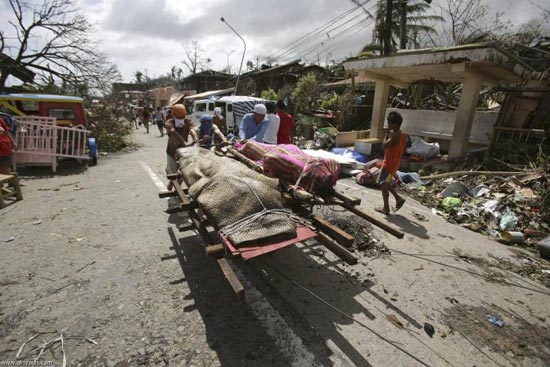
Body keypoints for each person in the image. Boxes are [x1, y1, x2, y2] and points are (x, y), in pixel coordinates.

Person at [375, 111, 407, 215]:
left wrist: (387, 134)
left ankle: (386, 208)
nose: (387, 125)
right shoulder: (402, 134)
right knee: (385, 183)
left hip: (389, 163)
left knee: (383, 186)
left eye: (389, 123)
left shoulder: (394, 135)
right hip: (395, 163)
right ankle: (398, 198)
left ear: (394, 124)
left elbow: (384, 146)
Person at [164, 104, 198, 189]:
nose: (181, 119)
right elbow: (173, 132)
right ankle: (172, 183)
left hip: (184, 151)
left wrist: (195, 139)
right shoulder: (169, 122)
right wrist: (184, 141)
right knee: (172, 171)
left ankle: (176, 185)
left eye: (182, 117)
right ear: (174, 115)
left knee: (183, 169)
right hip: (172, 150)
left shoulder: (188, 121)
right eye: (179, 117)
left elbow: (192, 130)